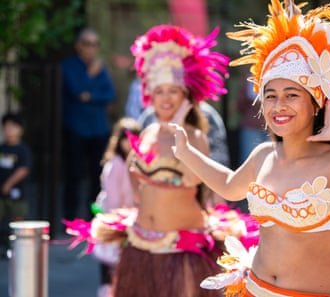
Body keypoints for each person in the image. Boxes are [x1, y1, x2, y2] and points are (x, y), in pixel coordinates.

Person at [169, 1, 330, 296]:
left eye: (291, 94)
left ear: (315, 104)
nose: (279, 105)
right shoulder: (263, 156)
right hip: (255, 289)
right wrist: (185, 151)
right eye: (270, 96)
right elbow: (228, 186)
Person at [109, 24, 231, 297]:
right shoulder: (148, 131)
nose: (165, 98)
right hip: (141, 247)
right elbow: (135, 180)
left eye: (173, 91)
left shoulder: (195, 137)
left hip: (180, 251)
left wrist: (178, 128)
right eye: (159, 90)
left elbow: (194, 179)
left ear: (186, 96)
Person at [61, 27, 116, 220]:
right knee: (73, 176)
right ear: (78, 46)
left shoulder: (101, 68)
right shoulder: (68, 66)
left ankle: (94, 219)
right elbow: (76, 90)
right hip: (75, 129)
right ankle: (70, 220)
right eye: (87, 43)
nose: (91, 48)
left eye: (95, 44)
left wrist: (89, 96)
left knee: (97, 177)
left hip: (99, 130)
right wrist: (90, 78)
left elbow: (109, 94)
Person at [93, 117, 142, 297]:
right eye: (126, 140)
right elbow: (113, 200)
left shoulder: (139, 163)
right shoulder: (114, 164)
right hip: (115, 224)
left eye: (134, 140)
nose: (129, 144)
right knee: (109, 274)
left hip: (131, 223)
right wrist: (119, 221)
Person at [0, 112, 32, 257]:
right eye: (6, 127)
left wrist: (9, 183)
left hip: (17, 194)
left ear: (20, 129)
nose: (9, 130)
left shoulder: (23, 150)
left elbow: (24, 169)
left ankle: (19, 250)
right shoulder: (2, 148)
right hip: (1, 195)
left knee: (18, 221)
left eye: (13, 127)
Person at [237, 70, 269, 166]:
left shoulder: (274, 78)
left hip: (271, 127)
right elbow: (240, 104)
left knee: (271, 160)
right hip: (252, 127)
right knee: (249, 161)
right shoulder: (249, 81)